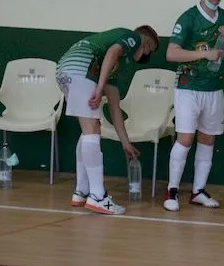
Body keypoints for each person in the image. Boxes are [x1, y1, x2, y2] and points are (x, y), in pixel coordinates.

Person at [163, 0, 224, 212]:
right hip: (188, 87)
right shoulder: (187, 18)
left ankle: (198, 191)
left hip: (214, 88)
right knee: (186, 138)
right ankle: (172, 191)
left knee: (208, 139)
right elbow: (171, 54)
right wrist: (205, 53)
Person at [56, 25, 159, 215]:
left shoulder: (113, 66)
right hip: (80, 69)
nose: (146, 55)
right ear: (145, 41)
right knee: (92, 130)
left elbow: (114, 107)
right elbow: (113, 51)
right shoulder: (132, 37)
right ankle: (97, 196)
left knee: (88, 129)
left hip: (65, 69)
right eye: (149, 49)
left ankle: (81, 191)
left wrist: (125, 143)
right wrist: (99, 86)